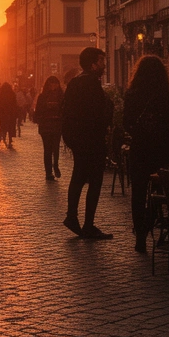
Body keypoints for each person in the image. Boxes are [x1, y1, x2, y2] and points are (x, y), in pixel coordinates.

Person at [123, 56, 169, 253]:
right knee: (161, 191)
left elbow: (126, 123)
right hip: (163, 150)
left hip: (140, 149)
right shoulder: (166, 96)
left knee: (138, 193)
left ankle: (140, 234)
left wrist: (140, 132)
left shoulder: (131, 95)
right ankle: (155, 221)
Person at [61, 47, 115, 240]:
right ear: (93, 65)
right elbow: (98, 113)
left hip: (78, 140)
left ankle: (72, 216)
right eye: (101, 61)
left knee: (78, 177)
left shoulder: (75, 82)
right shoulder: (91, 83)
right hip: (91, 141)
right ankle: (87, 224)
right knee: (95, 182)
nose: (104, 64)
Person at [34, 76, 65, 180]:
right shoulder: (42, 97)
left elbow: (64, 109)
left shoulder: (61, 96)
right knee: (47, 149)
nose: (54, 86)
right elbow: (38, 111)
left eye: (56, 83)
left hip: (56, 125)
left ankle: (55, 166)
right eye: (52, 84)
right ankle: (48, 172)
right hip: (46, 126)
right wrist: (46, 108)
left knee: (55, 148)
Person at [0, 83, 20, 150]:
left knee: (2, 127)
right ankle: (9, 141)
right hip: (11, 113)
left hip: (2, 114)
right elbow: (15, 104)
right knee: (10, 127)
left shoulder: (0, 95)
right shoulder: (12, 94)